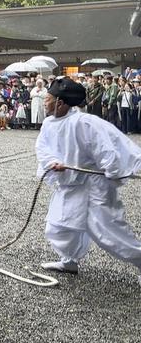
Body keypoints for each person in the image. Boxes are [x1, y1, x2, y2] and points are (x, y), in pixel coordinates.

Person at [35, 77, 141, 285]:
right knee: (59, 225)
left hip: (94, 185)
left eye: (48, 99)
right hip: (70, 184)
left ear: (61, 103)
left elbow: (106, 149)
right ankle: (69, 261)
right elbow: (42, 148)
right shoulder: (48, 123)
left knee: (108, 233)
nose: (45, 102)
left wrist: (112, 171)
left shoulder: (84, 122)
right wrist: (53, 162)